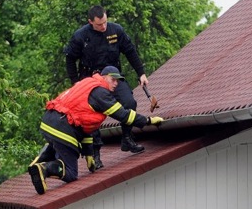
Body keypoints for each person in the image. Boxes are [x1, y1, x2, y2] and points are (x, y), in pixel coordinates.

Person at [28, 66, 163, 195]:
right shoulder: (101, 93)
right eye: (113, 79)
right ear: (104, 77)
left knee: (64, 149)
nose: (116, 84)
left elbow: (84, 126)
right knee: (71, 173)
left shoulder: (88, 83)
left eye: (118, 80)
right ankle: (44, 168)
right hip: (62, 127)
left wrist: (88, 153)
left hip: (49, 120)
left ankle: (43, 157)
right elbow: (124, 116)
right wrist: (148, 121)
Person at [64, 5, 151, 168]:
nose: (103, 27)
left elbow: (130, 51)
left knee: (129, 103)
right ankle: (96, 155)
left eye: (104, 22)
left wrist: (141, 73)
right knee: (93, 115)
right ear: (90, 22)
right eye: (99, 24)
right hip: (90, 80)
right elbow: (70, 59)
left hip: (113, 76)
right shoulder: (80, 36)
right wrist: (75, 83)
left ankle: (127, 139)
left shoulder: (116, 30)